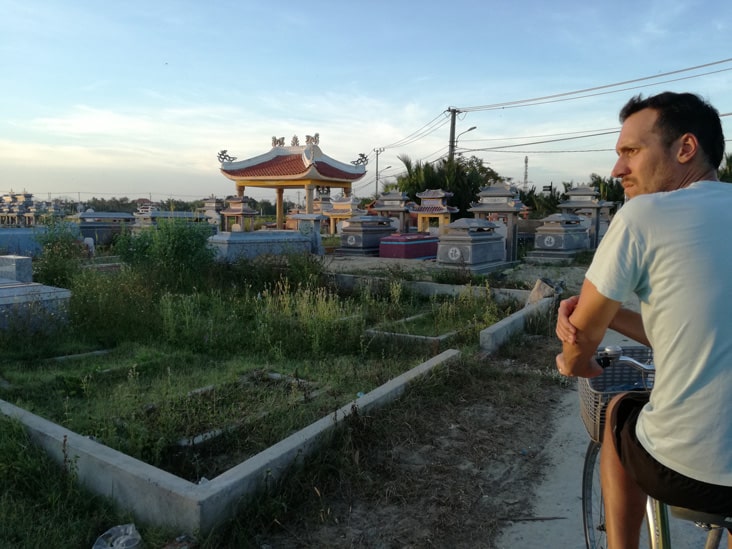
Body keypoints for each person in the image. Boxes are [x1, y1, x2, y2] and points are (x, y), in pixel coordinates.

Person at [554, 91, 732, 549]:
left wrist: (573, 362)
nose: (617, 170)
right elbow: (686, 325)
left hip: (693, 472)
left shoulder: (643, 215)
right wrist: (618, 319)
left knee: (620, 411)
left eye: (631, 151)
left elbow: (579, 348)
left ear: (685, 148)